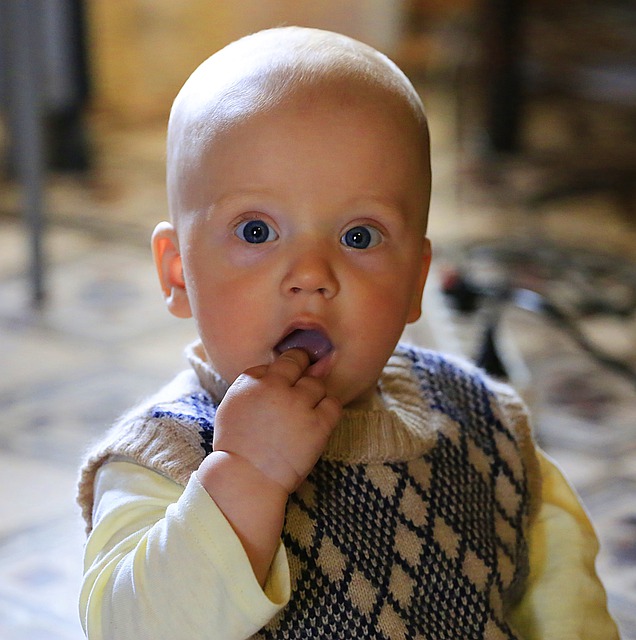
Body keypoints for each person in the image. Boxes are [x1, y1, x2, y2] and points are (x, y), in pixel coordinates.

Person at [77, 26, 619, 640]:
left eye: (359, 237)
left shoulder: (488, 427)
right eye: (256, 231)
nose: (311, 275)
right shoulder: (159, 462)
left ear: (416, 281)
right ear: (178, 273)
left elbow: (571, 616)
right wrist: (244, 473)